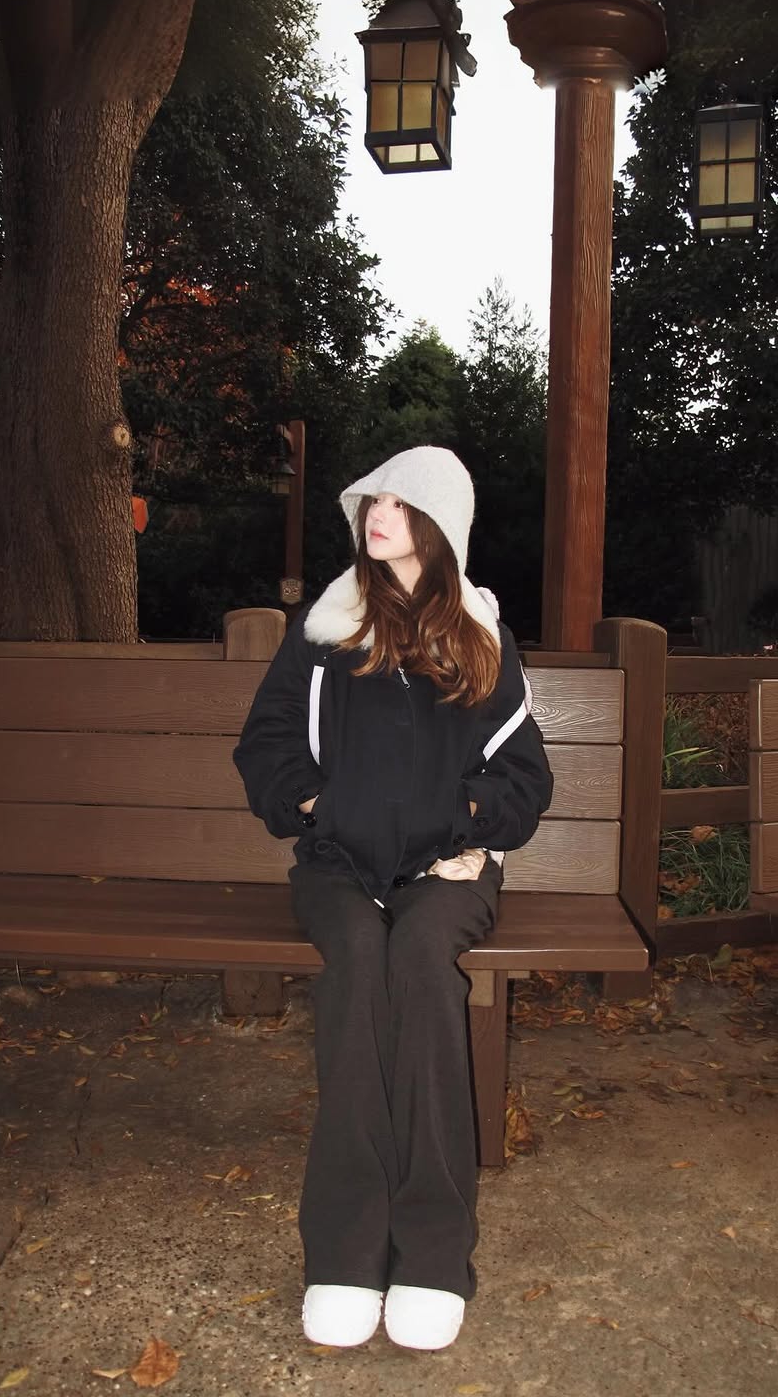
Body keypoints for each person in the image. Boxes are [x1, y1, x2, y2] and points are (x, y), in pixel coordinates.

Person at [233, 446, 553, 1351]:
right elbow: (265, 747)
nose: (378, 515)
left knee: (418, 964)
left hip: (445, 872)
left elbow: (523, 776)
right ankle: (343, 1255)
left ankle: (433, 1259)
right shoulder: (327, 631)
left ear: (440, 527)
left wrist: (475, 828)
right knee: (353, 971)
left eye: (402, 504)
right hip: (338, 866)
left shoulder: (481, 638)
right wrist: (315, 807)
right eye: (373, 500)